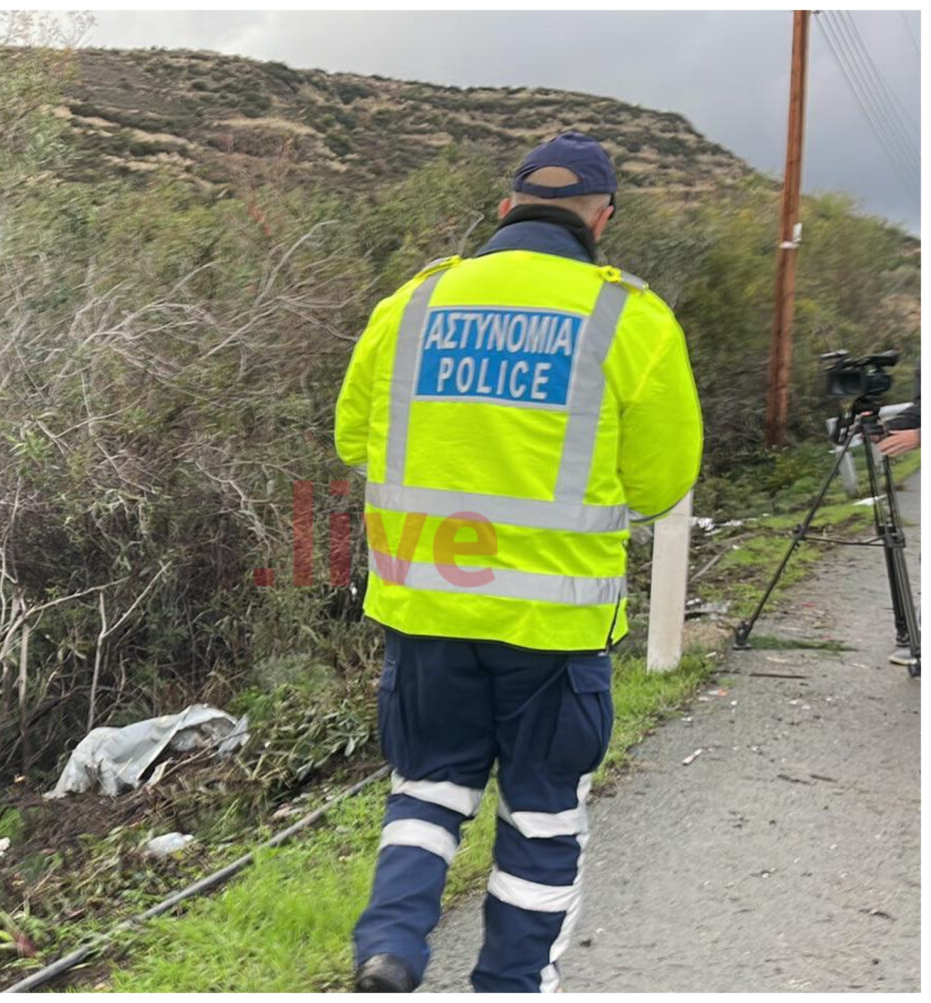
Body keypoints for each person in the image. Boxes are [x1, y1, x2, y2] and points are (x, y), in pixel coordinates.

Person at [333, 131, 703, 992]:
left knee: (427, 786)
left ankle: (391, 944)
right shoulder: (630, 318)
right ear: (601, 220)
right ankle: (509, 982)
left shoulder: (413, 302)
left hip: (426, 610)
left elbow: (354, 440)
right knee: (541, 811)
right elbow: (661, 485)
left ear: (505, 209)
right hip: (555, 626)